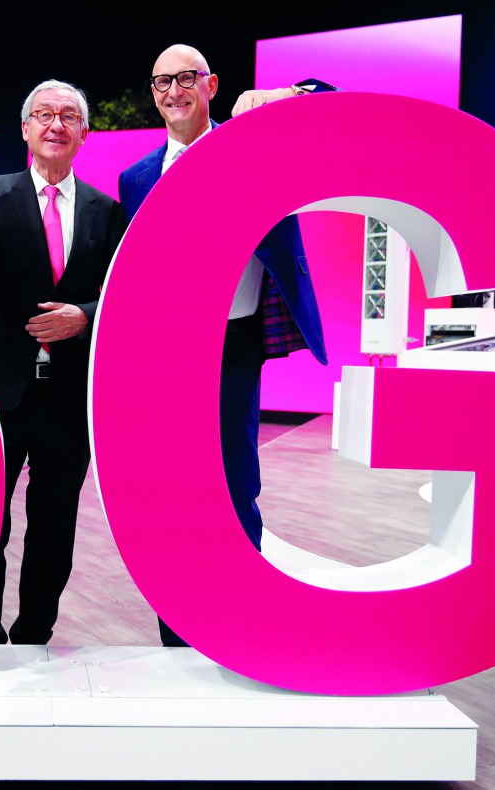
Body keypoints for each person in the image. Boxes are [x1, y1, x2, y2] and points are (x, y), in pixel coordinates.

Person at [118, 44, 331, 647]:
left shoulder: (254, 144)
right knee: (170, 486)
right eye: (162, 81)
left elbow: (331, 104)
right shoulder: (136, 178)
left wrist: (288, 96)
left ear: (210, 85)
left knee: (236, 480)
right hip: (166, 351)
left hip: (234, 343)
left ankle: (240, 618)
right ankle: (177, 630)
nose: (174, 91)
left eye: (186, 78)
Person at [0, 79, 127, 645]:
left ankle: (35, 631)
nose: (55, 124)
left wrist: (83, 315)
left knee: (55, 522)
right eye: (43, 115)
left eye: (68, 116)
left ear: (84, 133)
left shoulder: (107, 211)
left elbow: (122, 291)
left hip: (69, 393)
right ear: (24, 130)